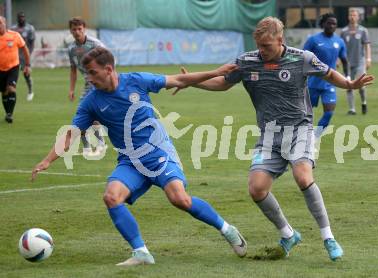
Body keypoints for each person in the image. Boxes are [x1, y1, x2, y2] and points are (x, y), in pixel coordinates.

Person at [175, 17, 374, 261]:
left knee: (302, 176)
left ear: (280, 40)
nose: (262, 51)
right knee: (256, 189)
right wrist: (193, 83)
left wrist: (350, 84)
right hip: (269, 135)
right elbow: (222, 82)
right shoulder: (247, 62)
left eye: (267, 46)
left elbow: (329, 73)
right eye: (259, 45)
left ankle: (328, 236)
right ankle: (288, 234)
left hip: (299, 130)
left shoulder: (301, 58)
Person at [31, 47, 247, 266]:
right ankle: (141, 252)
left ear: (108, 69)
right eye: (86, 73)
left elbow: (178, 79)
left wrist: (215, 72)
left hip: (158, 152)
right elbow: (72, 134)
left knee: (179, 199)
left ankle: (227, 229)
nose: (88, 78)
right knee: (111, 197)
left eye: (92, 72)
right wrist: (47, 160)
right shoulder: (91, 102)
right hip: (130, 161)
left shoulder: (136, 81)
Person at [304, 13, 349, 138]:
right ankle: (301, 136)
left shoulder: (339, 41)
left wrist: (348, 78)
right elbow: (303, 58)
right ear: (323, 24)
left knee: (329, 113)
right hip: (312, 82)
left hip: (330, 82)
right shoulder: (313, 40)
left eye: (334, 23)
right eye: (329, 23)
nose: (331, 25)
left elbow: (344, 61)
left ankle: (314, 138)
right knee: (305, 114)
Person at [67, 17, 106, 156]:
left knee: (86, 113)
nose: (77, 32)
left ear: (84, 29)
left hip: (100, 82)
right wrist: (71, 89)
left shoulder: (95, 44)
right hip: (88, 83)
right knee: (85, 114)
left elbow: (109, 60)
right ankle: (89, 147)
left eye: (79, 29)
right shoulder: (71, 48)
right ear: (70, 31)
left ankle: (98, 145)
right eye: (74, 29)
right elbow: (73, 69)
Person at [0, 16, 31, 124]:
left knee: (11, 89)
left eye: (0, 23)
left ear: (5, 24)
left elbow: (24, 48)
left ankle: (10, 114)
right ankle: (7, 112)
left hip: (13, 67)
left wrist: (27, 65)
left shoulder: (14, 35)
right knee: (4, 92)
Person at [340, 8, 372, 115]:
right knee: (348, 85)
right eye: (351, 15)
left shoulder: (363, 31)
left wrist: (368, 59)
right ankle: (352, 109)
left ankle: (364, 102)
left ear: (358, 17)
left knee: (361, 86)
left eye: (354, 15)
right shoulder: (344, 32)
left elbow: (367, 45)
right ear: (348, 17)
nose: (352, 17)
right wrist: (338, 60)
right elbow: (340, 48)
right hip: (347, 64)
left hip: (360, 62)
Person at [11, 11, 35, 101]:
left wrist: (29, 54)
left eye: (23, 17)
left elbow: (32, 43)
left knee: (26, 75)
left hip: (24, 56)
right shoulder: (13, 29)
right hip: (14, 56)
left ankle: (30, 91)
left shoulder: (29, 28)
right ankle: (11, 91)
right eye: (20, 17)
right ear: (17, 18)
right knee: (12, 74)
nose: (22, 19)